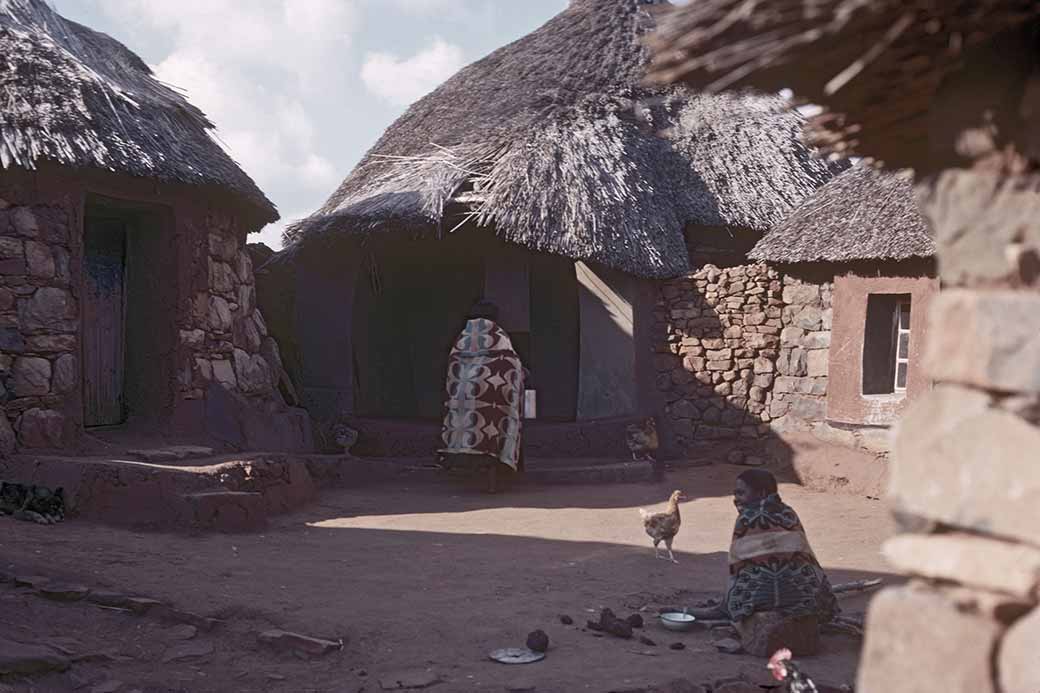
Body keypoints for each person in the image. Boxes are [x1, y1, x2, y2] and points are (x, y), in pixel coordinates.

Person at [689, 469, 838, 624]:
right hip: (803, 599)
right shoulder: (788, 513)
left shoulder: (746, 519)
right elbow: (805, 557)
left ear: (761, 493)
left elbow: (737, 568)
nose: (735, 499)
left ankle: (724, 609)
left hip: (759, 601)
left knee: (737, 580)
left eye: (741, 493)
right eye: (735, 494)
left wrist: (728, 603)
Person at [437, 300, 525, 492]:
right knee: (493, 437)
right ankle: (495, 481)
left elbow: (453, 371)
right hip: (494, 404)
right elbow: (511, 367)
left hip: (464, 405)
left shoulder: (461, 340)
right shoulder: (500, 337)